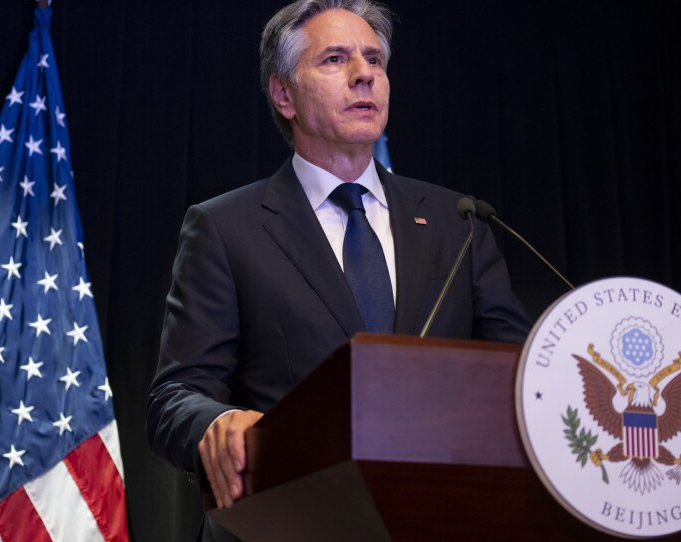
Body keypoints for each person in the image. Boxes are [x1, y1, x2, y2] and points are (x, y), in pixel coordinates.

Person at [146, 0, 531, 538]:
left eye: (374, 59)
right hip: (285, 523)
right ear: (284, 95)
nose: (364, 75)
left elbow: (518, 376)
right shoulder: (225, 227)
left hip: (434, 519)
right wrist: (215, 422)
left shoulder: (458, 221)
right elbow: (174, 396)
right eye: (334, 59)